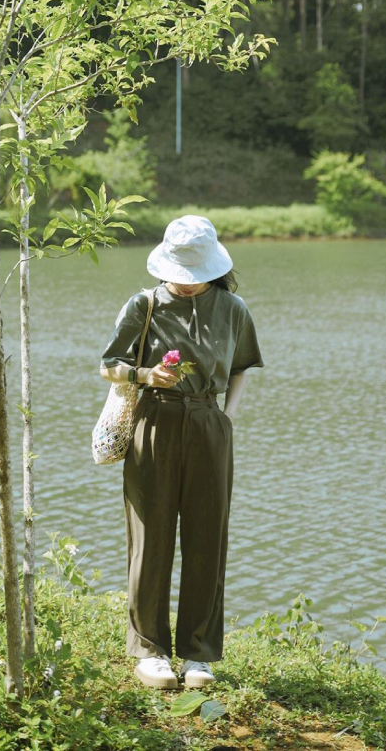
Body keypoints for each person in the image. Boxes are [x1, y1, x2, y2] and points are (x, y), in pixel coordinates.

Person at [99, 214, 264, 690]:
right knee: (150, 538)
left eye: (196, 274)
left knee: (206, 539)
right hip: (154, 421)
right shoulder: (144, 304)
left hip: (210, 425)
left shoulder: (233, 308)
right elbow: (109, 364)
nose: (187, 284)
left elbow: (240, 368)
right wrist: (146, 375)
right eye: (180, 272)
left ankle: (198, 655)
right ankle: (149, 650)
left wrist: (226, 416)